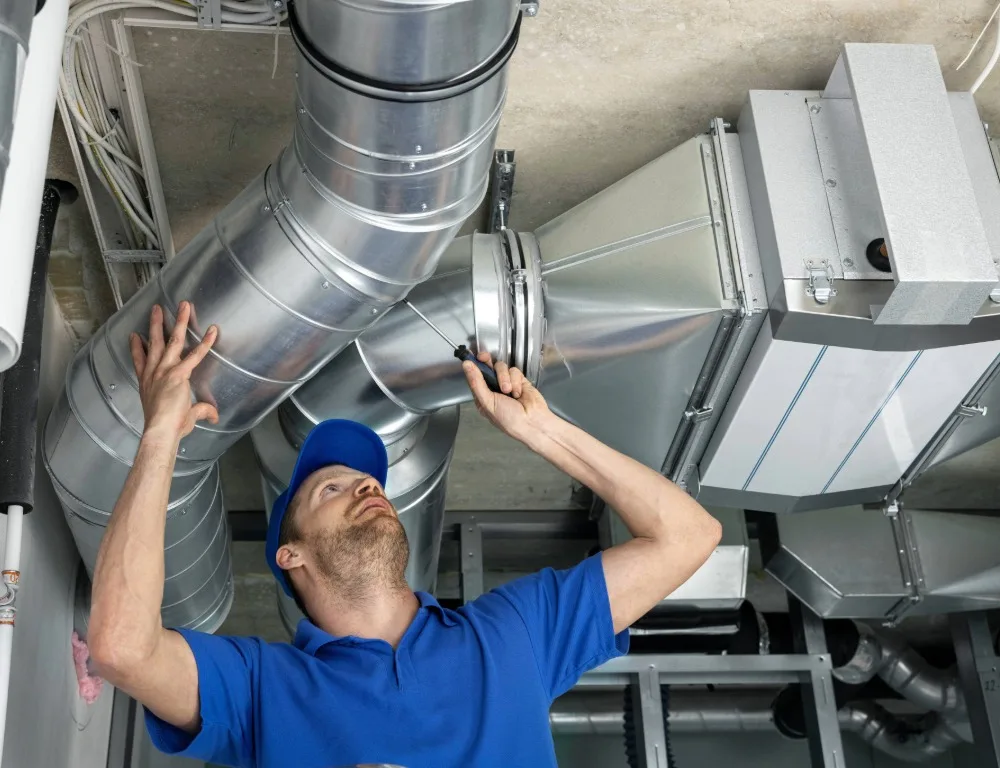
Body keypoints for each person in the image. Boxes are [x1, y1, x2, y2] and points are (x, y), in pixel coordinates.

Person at [87, 300, 723, 768]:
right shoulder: (260, 688)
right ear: (291, 554)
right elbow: (120, 647)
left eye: (369, 483)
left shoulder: (514, 633)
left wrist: (541, 430)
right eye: (331, 489)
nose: (368, 486)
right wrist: (160, 433)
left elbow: (689, 534)